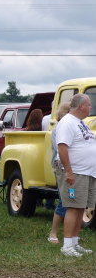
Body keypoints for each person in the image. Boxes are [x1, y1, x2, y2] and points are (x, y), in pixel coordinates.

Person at [55, 93, 96, 256]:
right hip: (75, 172)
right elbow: (62, 147)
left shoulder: (80, 123)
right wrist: (69, 172)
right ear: (81, 106)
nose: (91, 107)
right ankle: (67, 246)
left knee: (81, 208)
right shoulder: (67, 123)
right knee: (73, 207)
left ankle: (74, 242)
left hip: (86, 172)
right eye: (89, 105)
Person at [47, 102, 71, 243]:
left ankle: (71, 234)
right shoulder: (58, 130)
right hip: (62, 167)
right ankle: (53, 233)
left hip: (74, 167)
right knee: (64, 199)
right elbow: (61, 149)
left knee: (73, 200)